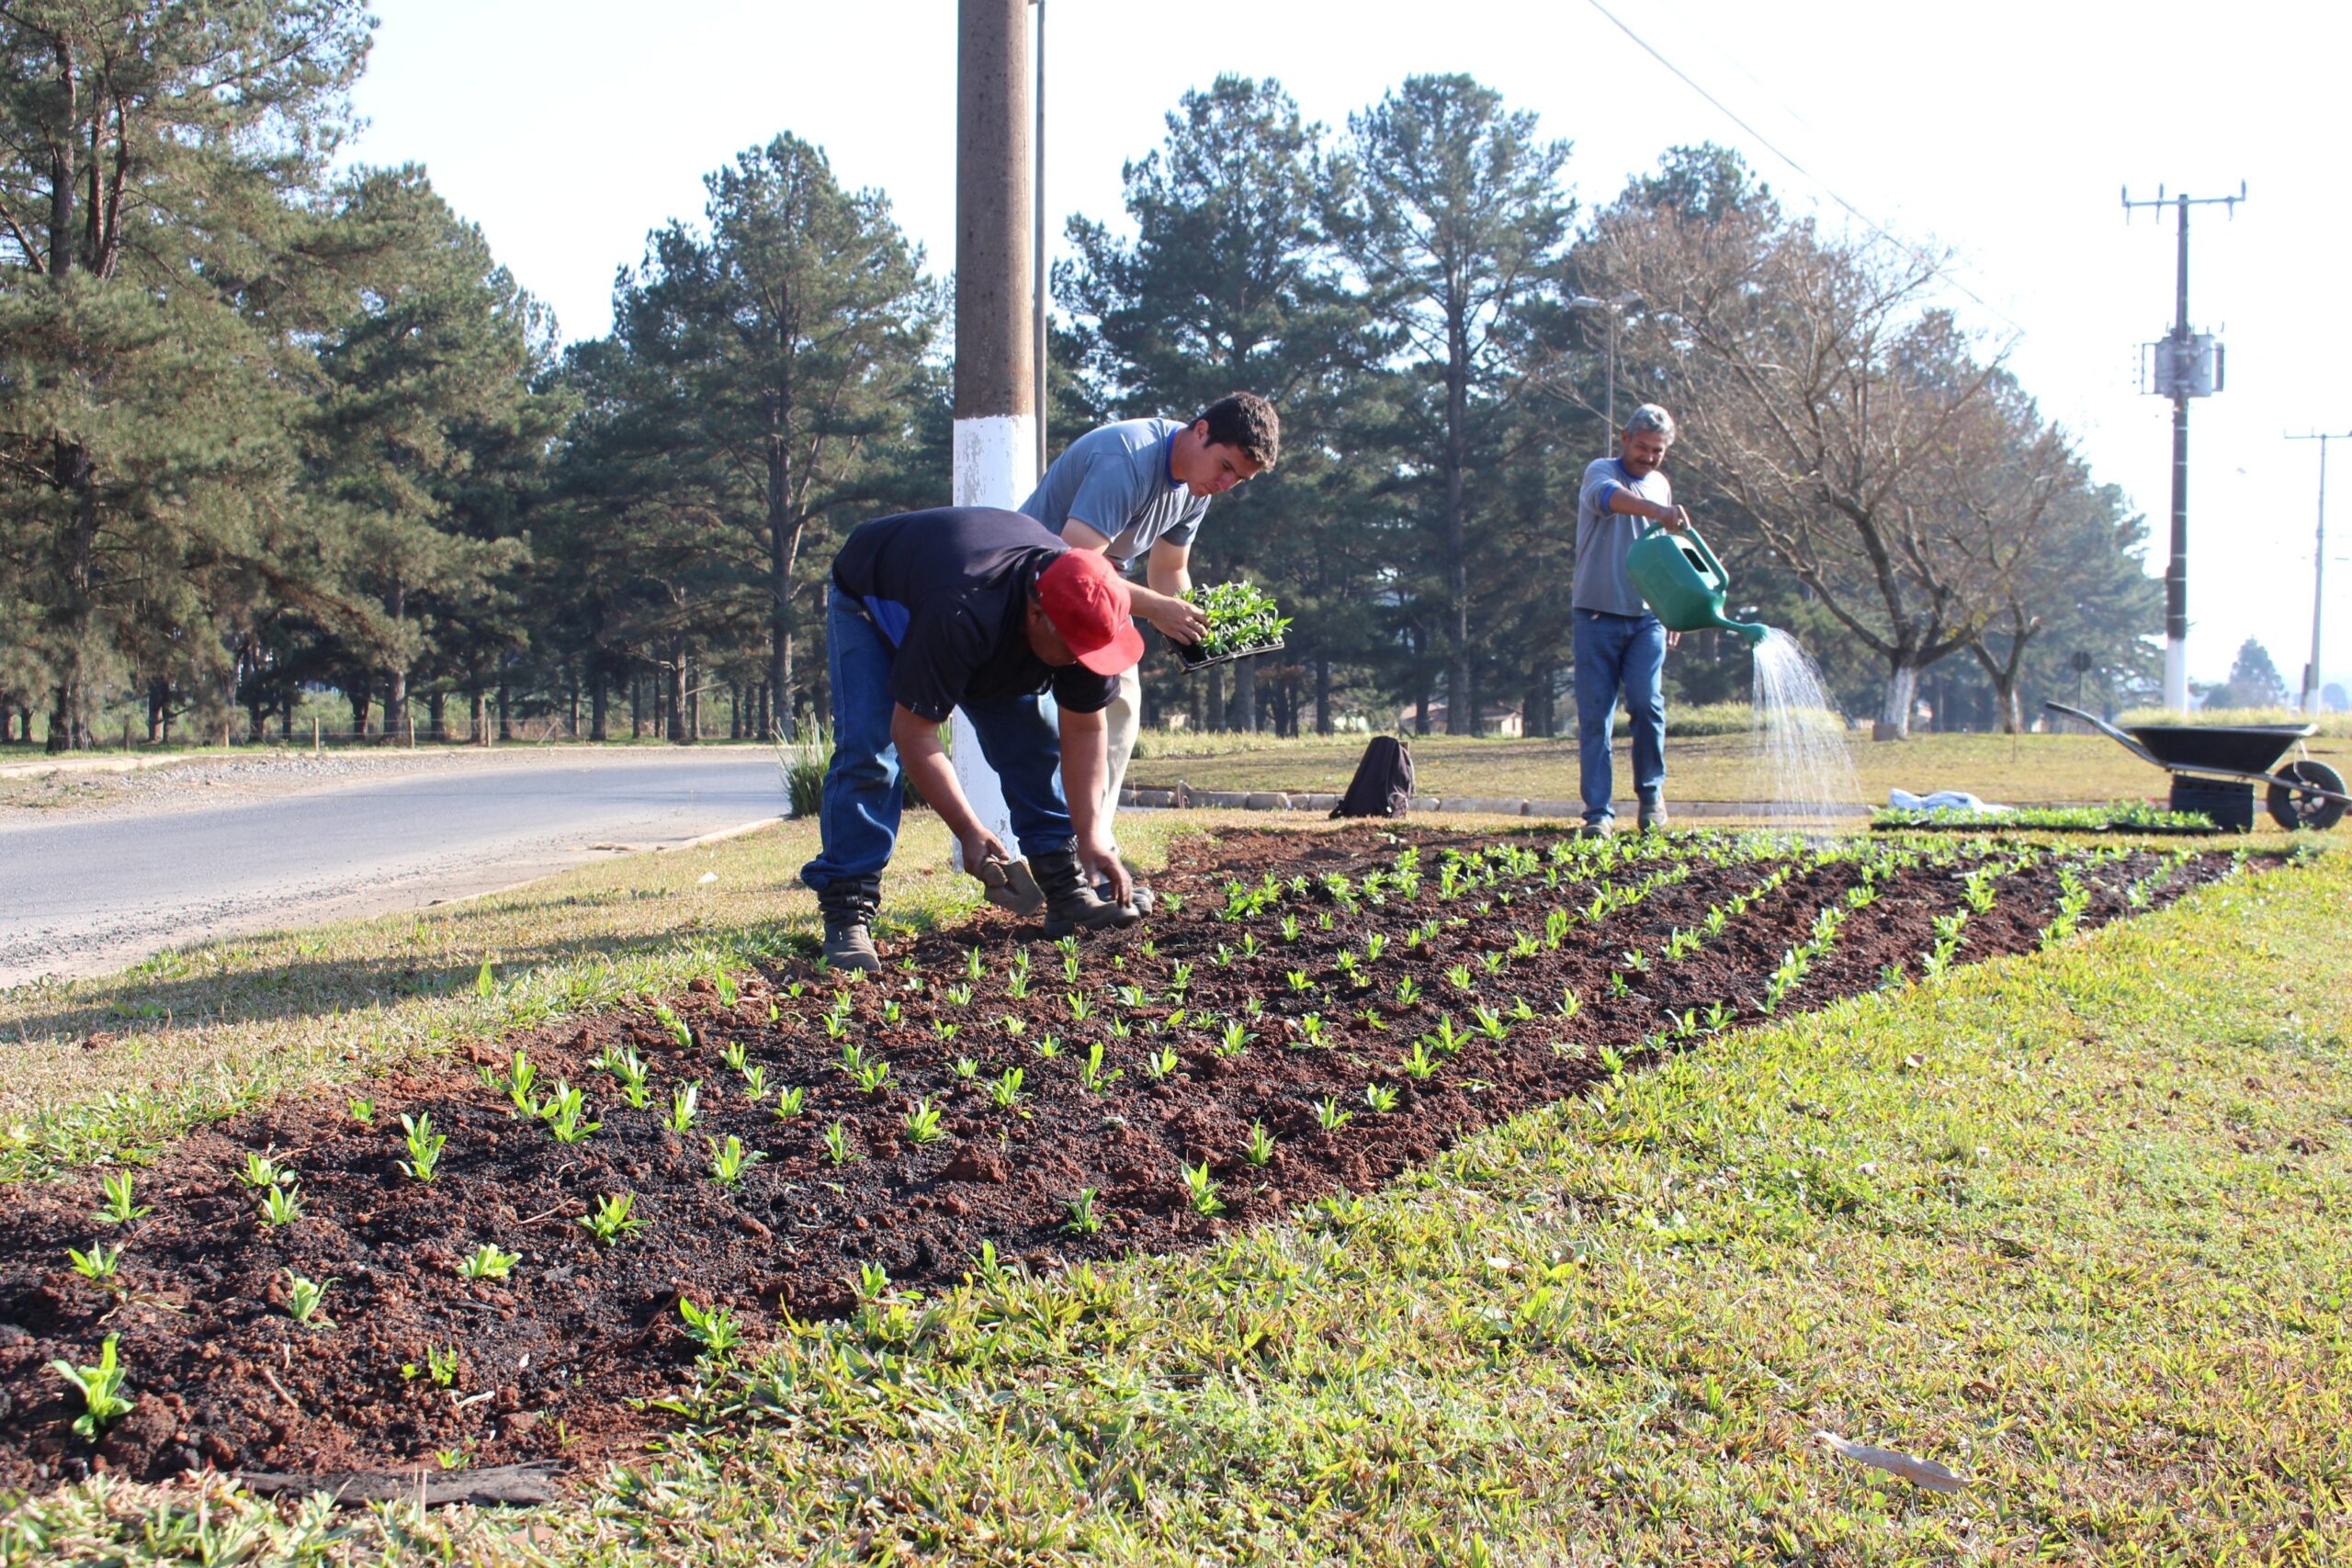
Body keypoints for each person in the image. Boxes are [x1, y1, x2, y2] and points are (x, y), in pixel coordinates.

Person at [799, 506, 1147, 971]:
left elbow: (1084, 728)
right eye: (1073, 648)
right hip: (874, 599)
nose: (1080, 659)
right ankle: (848, 910)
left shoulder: (1090, 605)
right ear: (1037, 614)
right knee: (870, 752)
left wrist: (1093, 835)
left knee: (1034, 743)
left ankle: (1066, 889)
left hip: (981, 615)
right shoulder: (961, 612)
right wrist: (967, 830)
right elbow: (914, 733)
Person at [1019, 392, 1280, 893]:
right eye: (1225, 467)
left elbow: (1169, 571)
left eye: (1238, 481)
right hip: (1034, 591)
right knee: (1043, 730)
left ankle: (1095, 848)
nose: (1224, 486)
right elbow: (1075, 559)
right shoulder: (1128, 458)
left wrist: (1198, 628)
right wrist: (1159, 609)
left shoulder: (1197, 488)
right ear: (1200, 430)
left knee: (1121, 708)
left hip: (1099, 593)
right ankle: (1065, 855)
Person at [1571, 403, 1690, 835]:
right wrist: (1657, 511)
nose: (1648, 457)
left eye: (1657, 450)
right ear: (1624, 438)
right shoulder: (1601, 472)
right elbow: (1609, 501)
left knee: (1646, 704)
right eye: (1642, 447)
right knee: (1596, 717)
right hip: (1596, 615)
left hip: (1647, 620)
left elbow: (1666, 554)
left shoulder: (1660, 484)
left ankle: (1651, 797)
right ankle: (1598, 815)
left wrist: (1673, 603)